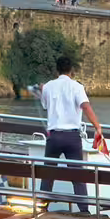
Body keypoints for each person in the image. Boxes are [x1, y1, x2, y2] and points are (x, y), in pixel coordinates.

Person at [36, 54, 101, 207]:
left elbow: (45, 106)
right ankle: (84, 210)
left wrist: (42, 89)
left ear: (56, 70)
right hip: (72, 137)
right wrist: (97, 126)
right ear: (71, 70)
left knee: (48, 174)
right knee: (77, 175)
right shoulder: (77, 87)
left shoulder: (47, 87)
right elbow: (85, 106)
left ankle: (42, 207)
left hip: (54, 136)